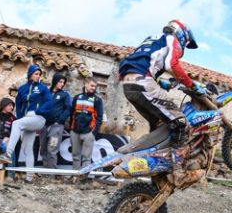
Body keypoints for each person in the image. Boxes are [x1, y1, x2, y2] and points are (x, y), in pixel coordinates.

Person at [118, 19, 206, 182]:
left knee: (159, 125)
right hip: (143, 83)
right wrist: (192, 85)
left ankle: (154, 165)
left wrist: (158, 81)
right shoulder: (172, 40)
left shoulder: (151, 39)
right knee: (181, 122)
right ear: (182, 35)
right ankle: (178, 172)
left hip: (128, 84)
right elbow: (172, 64)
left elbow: (139, 62)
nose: (184, 46)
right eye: (186, 43)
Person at [6, 64, 51, 167]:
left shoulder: (43, 88)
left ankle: (7, 153)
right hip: (27, 120)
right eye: (36, 74)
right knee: (27, 149)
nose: (38, 76)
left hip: (38, 118)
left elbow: (50, 102)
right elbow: (18, 105)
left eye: (39, 74)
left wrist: (38, 111)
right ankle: (29, 175)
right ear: (30, 74)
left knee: (16, 123)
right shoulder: (22, 89)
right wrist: (21, 118)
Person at [37, 72, 72, 169]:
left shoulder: (65, 94)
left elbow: (68, 109)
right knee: (43, 149)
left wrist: (60, 120)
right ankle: (45, 172)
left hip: (56, 126)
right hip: (44, 125)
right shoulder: (46, 93)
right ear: (55, 81)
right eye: (60, 82)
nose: (62, 84)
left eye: (63, 82)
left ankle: (51, 173)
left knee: (52, 149)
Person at [69, 76, 103, 171]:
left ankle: (83, 177)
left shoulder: (97, 100)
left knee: (86, 158)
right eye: (92, 85)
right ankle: (75, 176)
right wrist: (71, 128)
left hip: (88, 132)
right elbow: (72, 113)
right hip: (75, 131)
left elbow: (99, 118)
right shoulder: (77, 97)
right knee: (75, 156)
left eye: (95, 86)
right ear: (86, 84)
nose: (93, 88)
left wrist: (93, 133)